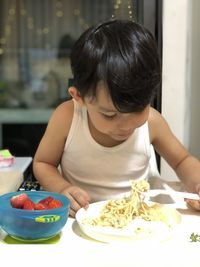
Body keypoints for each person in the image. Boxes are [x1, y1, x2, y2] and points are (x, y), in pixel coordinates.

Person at [33, 19, 200, 217]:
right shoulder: (68, 117)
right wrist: (61, 189)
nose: (126, 125)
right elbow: (43, 163)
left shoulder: (153, 122)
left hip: (137, 222)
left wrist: (196, 183)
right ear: (80, 97)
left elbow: (182, 161)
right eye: (110, 114)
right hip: (81, 221)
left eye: (138, 110)